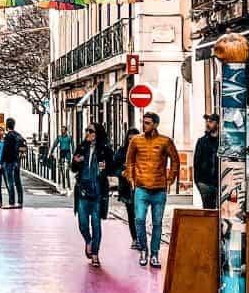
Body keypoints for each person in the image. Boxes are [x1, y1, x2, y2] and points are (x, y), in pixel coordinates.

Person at [124, 111, 180, 269]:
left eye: (148, 122)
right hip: (141, 188)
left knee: (157, 223)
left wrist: (170, 180)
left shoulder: (165, 141)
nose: (144, 125)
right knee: (139, 220)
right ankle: (143, 250)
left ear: (155, 124)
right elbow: (129, 161)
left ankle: (154, 254)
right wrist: (131, 179)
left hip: (159, 189)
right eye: (143, 122)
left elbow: (175, 161)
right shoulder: (136, 140)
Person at [72, 123, 113, 267]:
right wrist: (77, 162)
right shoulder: (82, 147)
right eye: (87, 130)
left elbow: (112, 168)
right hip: (83, 188)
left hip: (98, 190)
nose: (88, 133)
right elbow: (73, 168)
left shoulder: (105, 149)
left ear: (98, 133)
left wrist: (106, 167)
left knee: (96, 223)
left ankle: (95, 254)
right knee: (83, 223)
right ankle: (88, 241)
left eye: (91, 131)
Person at [113, 127, 139, 248]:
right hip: (127, 188)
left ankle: (140, 238)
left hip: (141, 187)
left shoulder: (142, 150)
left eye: (134, 139)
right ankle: (135, 238)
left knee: (140, 214)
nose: (132, 141)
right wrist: (122, 172)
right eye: (130, 139)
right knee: (131, 214)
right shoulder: (122, 151)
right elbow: (114, 168)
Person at [193, 113, 219, 209]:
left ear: (218, 124)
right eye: (207, 122)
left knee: (224, 210)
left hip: (222, 181)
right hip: (205, 182)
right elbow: (196, 162)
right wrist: (198, 181)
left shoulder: (223, 141)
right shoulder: (202, 141)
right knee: (209, 210)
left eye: (211, 122)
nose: (208, 124)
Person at [1, 117, 25, 208]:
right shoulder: (18, 135)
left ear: (7, 125)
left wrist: (2, 161)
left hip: (9, 161)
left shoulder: (8, 136)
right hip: (17, 161)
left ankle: (11, 202)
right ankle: (20, 202)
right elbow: (23, 146)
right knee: (18, 181)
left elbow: (5, 150)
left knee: (10, 182)